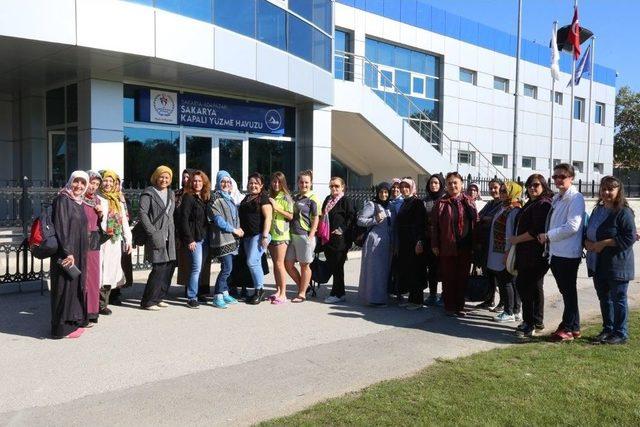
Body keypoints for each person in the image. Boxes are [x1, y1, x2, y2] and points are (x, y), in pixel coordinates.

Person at [584, 176, 636, 345]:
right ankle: (608, 329)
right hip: (598, 263)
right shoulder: (597, 210)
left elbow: (629, 237)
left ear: (618, 191)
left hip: (617, 264)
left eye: (610, 189)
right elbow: (589, 230)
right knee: (604, 298)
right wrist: (587, 241)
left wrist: (604, 243)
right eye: (604, 189)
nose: (606, 192)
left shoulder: (623, 212)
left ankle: (620, 333)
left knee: (618, 298)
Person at [538, 163, 585, 341]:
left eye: (562, 177)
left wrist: (548, 236)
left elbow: (573, 226)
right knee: (567, 292)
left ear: (571, 178)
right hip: (556, 252)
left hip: (567, 253)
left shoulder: (576, 198)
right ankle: (573, 327)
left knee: (568, 292)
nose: (558, 180)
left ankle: (568, 327)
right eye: (555, 176)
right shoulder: (558, 197)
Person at [510, 174, 553, 338]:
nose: (532, 188)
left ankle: (530, 323)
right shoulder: (533, 202)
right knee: (533, 288)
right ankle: (536, 320)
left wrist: (516, 240)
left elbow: (536, 231)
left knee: (526, 287)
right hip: (527, 253)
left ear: (543, 186)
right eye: (530, 185)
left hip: (534, 254)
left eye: (536, 185)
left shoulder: (543, 204)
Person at [431, 172, 478, 317]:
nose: (452, 185)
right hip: (447, 246)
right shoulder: (441, 203)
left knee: (462, 278)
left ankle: (460, 306)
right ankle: (449, 306)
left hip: (465, 247)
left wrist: (477, 245)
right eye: (450, 183)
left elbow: (476, 222)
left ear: (461, 184)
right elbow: (434, 226)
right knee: (448, 277)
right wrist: (435, 244)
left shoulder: (469, 201)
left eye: (455, 182)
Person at [50, 170, 90, 338]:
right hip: (67, 252)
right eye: (76, 181)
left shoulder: (79, 202)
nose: (79, 186)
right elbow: (61, 226)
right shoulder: (63, 199)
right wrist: (68, 252)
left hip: (78, 251)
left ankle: (73, 321)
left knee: (74, 285)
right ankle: (62, 328)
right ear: (70, 181)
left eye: (83, 183)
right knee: (64, 286)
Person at [139, 166, 176, 311]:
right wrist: (153, 233)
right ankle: (148, 301)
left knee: (168, 267)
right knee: (158, 268)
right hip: (156, 234)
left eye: (167, 177)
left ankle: (159, 297)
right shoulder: (148, 193)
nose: (164, 179)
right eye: (161, 176)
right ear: (156, 177)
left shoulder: (171, 193)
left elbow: (171, 216)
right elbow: (143, 214)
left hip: (169, 235)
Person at [486, 182, 522, 323]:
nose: (501, 193)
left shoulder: (513, 209)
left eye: (505, 191)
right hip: (499, 252)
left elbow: (510, 233)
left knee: (506, 282)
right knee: (510, 281)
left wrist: (507, 252)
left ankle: (509, 311)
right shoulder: (504, 207)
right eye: (501, 191)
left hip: (505, 252)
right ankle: (515, 310)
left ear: (513, 192)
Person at [97, 170, 132, 315]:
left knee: (110, 270)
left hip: (113, 241)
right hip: (99, 240)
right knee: (99, 271)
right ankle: (94, 303)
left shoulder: (116, 200)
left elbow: (124, 220)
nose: (108, 184)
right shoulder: (96, 198)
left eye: (111, 181)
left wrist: (128, 239)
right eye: (105, 180)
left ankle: (102, 304)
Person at [208, 171, 243, 309]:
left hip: (232, 238)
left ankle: (224, 292)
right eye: (223, 181)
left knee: (227, 267)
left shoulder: (229, 198)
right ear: (218, 182)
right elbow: (218, 220)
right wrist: (234, 230)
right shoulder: (215, 198)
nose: (226, 184)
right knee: (227, 268)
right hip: (222, 239)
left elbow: (235, 218)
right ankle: (217, 295)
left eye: (228, 182)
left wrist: (238, 229)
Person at [285, 170, 319, 303]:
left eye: (306, 182)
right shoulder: (297, 197)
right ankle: (303, 286)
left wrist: (311, 235)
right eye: (301, 182)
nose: (303, 184)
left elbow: (316, 217)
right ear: (298, 183)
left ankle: (302, 293)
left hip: (305, 236)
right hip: (292, 235)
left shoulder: (312, 198)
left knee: (305, 265)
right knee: (288, 264)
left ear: (310, 183)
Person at [178, 170, 211, 309]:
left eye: (200, 181)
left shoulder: (204, 198)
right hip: (195, 239)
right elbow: (183, 220)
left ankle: (196, 293)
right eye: (195, 181)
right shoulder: (188, 197)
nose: (197, 183)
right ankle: (192, 297)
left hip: (204, 238)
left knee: (201, 268)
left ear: (204, 183)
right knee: (196, 268)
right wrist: (189, 239)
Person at [238, 173, 273, 304]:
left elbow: (268, 217)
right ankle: (258, 290)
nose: (253, 185)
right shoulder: (246, 198)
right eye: (251, 183)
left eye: (256, 183)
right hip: (247, 236)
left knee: (252, 261)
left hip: (259, 235)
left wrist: (264, 236)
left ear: (261, 185)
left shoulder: (263, 198)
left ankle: (260, 290)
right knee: (254, 263)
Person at [357, 182, 393, 306]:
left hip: (387, 242)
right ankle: (373, 299)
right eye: (381, 192)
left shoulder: (390, 206)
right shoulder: (372, 205)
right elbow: (360, 220)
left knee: (384, 271)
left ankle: (381, 296)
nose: (383, 194)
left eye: (386, 192)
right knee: (374, 271)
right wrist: (374, 220)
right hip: (374, 242)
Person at [322, 177, 356, 304]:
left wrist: (342, 229)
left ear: (342, 187)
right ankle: (339, 292)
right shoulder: (328, 199)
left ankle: (337, 293)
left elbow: (352, 217)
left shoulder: (345, 200)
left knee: (337, 266)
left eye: (336, 186)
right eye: (331, 186)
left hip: (340, 240)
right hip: (328, 238)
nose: (334, 188)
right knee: (333, 266)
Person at [395, 177, 427, 309]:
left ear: (412, 187)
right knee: (408, 270)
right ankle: (411, 299)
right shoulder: (404, 202)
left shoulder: (417, 202)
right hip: (405, 242)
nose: (403, 189)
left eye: (406, 186)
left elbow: (421, 223)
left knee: (416, 270)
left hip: (414, 242)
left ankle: (417, 301)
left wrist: (419, 241)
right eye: (402, 187)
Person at [474, 178, 504, 310]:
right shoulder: (490, 203)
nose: (493, 190)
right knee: (488, 273)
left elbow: (491, 219)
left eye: (495, 187)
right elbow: (479, 217)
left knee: (500, 275)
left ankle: (503, 302)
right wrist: (484, 219)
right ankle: (489, 299)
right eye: (491, 188)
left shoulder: (504, 204)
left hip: (498, 244)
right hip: (485, 242)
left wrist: (485, 219)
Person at [267, 172, 294, 304]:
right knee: (275, 265)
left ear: (282, 183)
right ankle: (278, 290)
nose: (276, 184)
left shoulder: (286, 197)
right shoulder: (271, 196)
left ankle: (283, 294)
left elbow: (290, 216)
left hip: (282, 234)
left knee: (279, 264)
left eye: (278, 182)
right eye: (274, 181)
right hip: (271, 234)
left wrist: (277, 208)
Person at [82, 170, 103, 324]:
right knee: (84, 275)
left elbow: (99, 223)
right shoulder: (76, 198)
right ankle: (82, 311)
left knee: (94, 276)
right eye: (92, 182)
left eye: (96, 184)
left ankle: (92, 311)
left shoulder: (97, 200)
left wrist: (101, 214)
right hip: (80, 239)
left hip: (94, 238)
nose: (93, 187)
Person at [422, 173, 446, 306]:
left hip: (443, 240)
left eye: (436, 183)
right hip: (429, 239)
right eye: (431, 183)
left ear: (441, 184)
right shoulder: (425, 201)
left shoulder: (446, 200)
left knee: (443, 268)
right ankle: (432, 294)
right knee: (431, 269)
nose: (433, 185)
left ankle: (444, 295)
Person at [174, 168, 195, 296]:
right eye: (183, 177)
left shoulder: (195, 194)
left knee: (192, 260)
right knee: (183, 261)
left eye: (188, 177)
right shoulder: (177, 194)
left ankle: (192, 287)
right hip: (178, 231)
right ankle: (186, 285)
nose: (185, 179)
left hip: (191, 231)